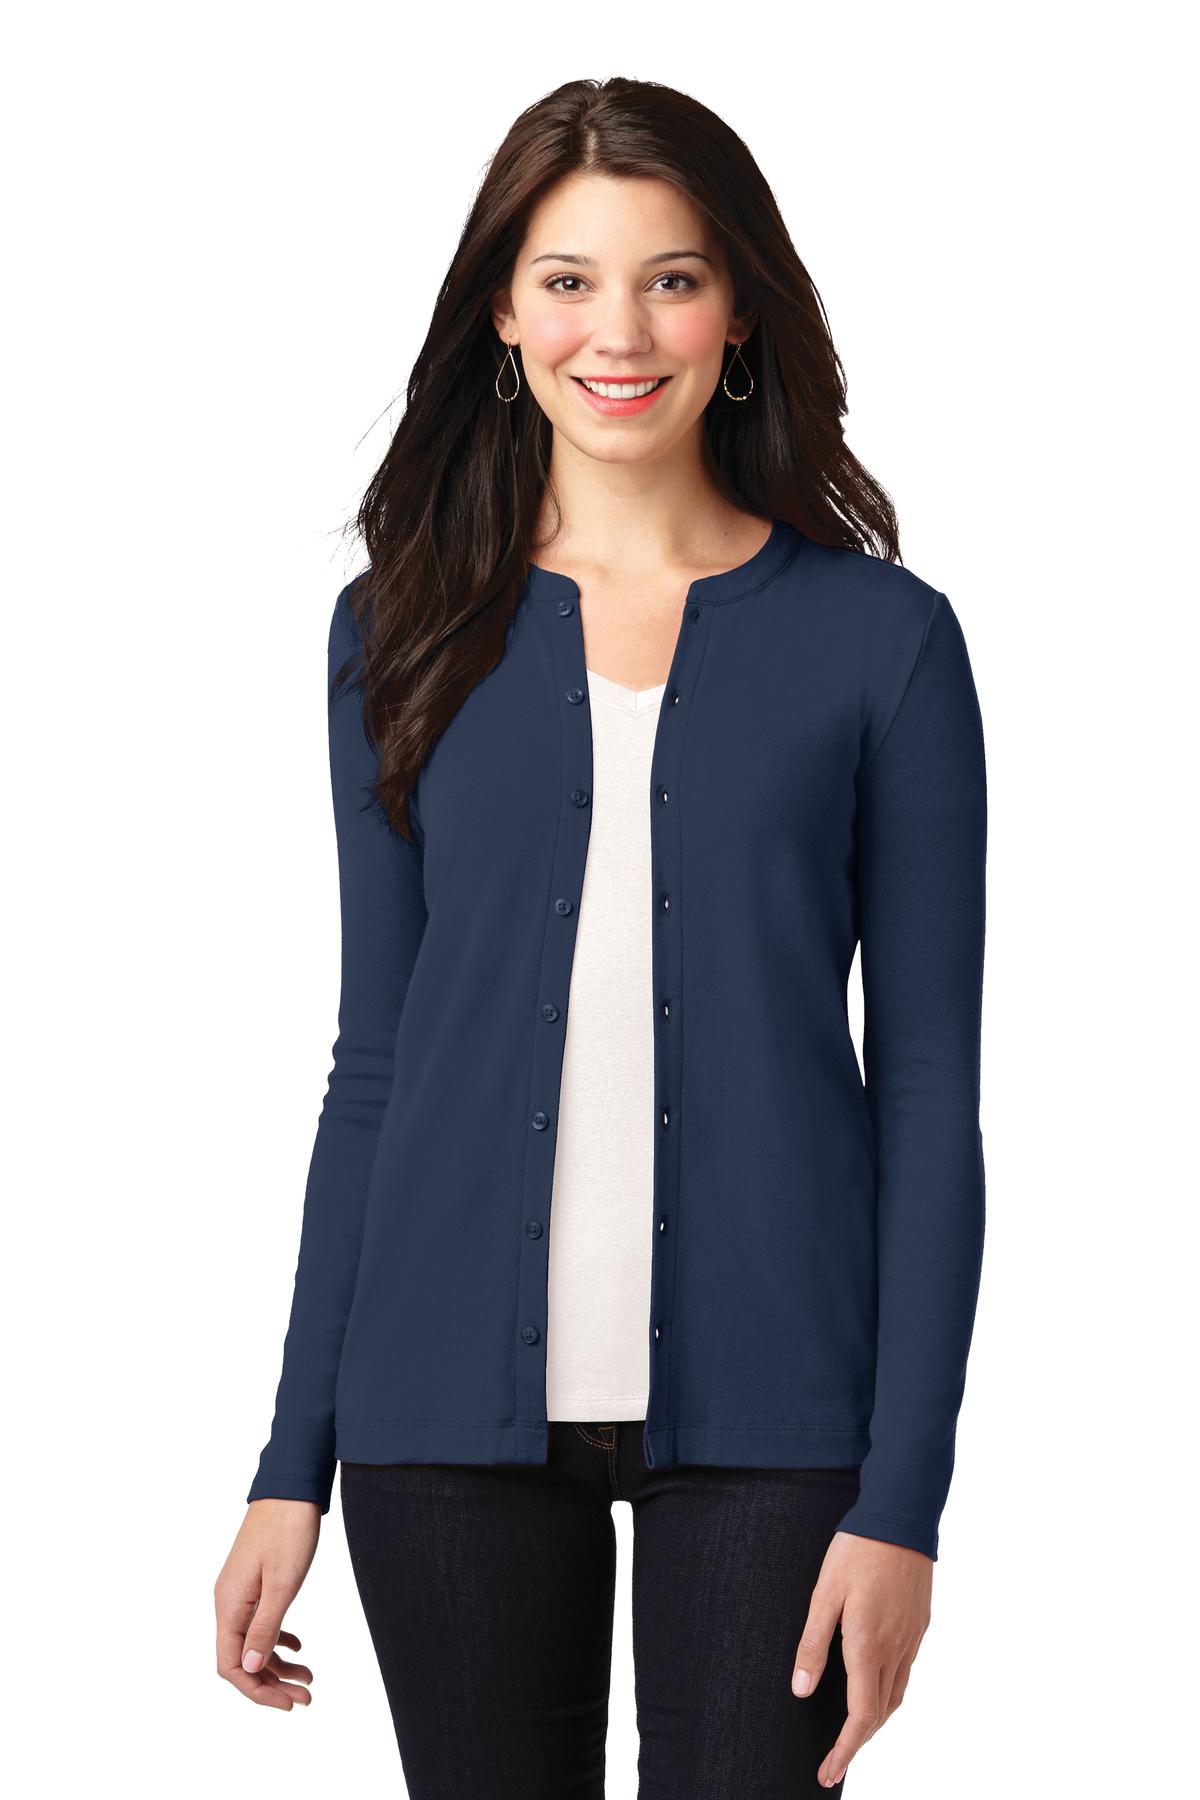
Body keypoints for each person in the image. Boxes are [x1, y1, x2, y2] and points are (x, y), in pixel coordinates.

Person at [214, 76, 988, 1800]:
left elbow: (930, 1095)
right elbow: (375, 1066)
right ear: (504, 314)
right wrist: (288, 1462)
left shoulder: (884, 644)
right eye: (567, 281)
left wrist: (906, 1500)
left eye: (672, 279)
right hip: (438, 1416)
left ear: (740, 312)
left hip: (782, 1417)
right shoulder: (399, 631)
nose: (617, 333)